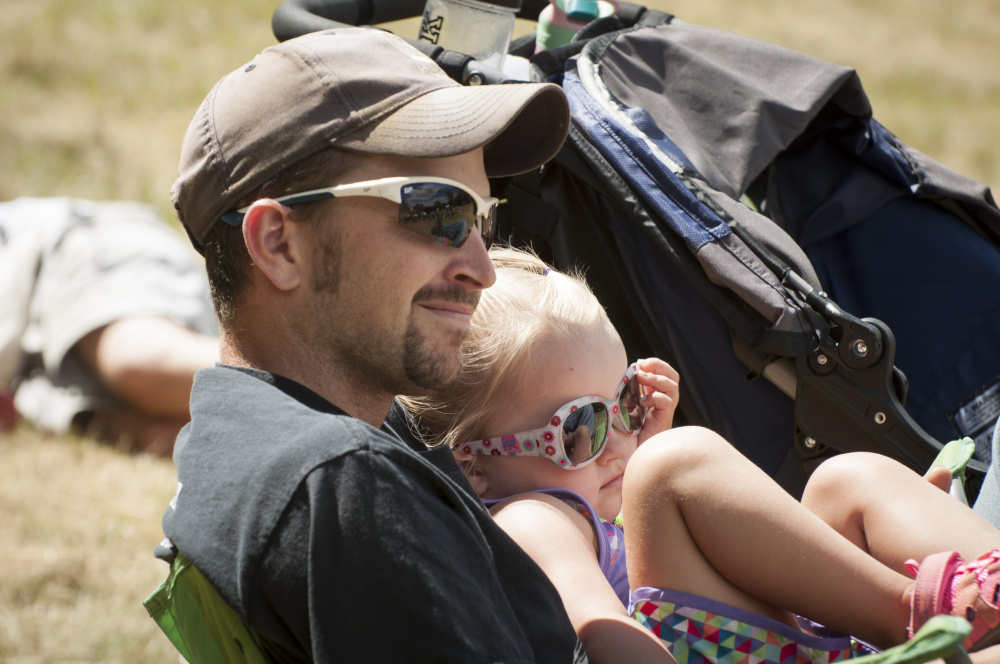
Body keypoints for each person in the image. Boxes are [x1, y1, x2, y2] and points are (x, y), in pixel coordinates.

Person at [156, 26, 586, 662]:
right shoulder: (342, 488)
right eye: (435, 209)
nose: (483, 266)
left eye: (481, 217)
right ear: (278, 243)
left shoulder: (242, 427)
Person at [402, 246, 1000, 664]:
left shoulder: (591, 496)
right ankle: (918, 611)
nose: (617, 441)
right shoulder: (531, 518)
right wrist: (658, 471)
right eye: (581, 427)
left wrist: (648, 449)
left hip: (774, 639)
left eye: (625, 399)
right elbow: (599, 630)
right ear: (474, 466)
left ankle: (969, 586)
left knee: (844, 480)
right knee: (675, 466)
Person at [0, 196, 220, 454]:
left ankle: (275, 374)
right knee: (162, 433)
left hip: (71, 251)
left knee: (136, 361)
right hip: (37, 370)